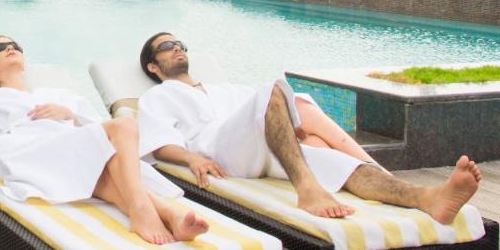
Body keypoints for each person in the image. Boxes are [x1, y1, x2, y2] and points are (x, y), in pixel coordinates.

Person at [137, 32, 482, 223]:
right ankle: (307, 189)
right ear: (154, 66)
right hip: (221, 152)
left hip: (270, 152)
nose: (178, 47)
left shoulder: (225, 90)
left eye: (181, 43)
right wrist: (191, 159)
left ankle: (426, 198)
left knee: (340, 165)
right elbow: (158, 144)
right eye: (167, 46)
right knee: (275, 88)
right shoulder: (159, 96)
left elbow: (269, 114)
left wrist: (295, 128)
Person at [0, 34, 209, 244]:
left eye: (15, 45)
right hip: (28, 150)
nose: (10, 48)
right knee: (123, 127)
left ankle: (162, 213)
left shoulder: (60, 96)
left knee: (113, 146)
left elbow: (98, 125)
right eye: (0, 47)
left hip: (69, 145)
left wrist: (69, 113)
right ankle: (148, 209)